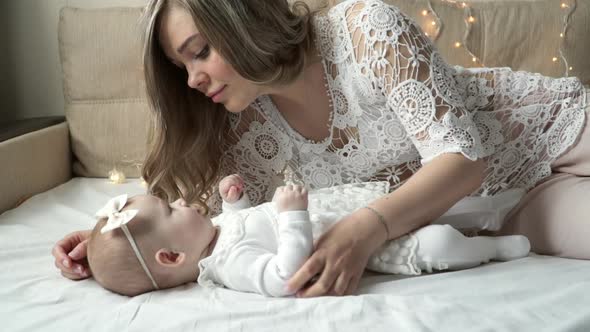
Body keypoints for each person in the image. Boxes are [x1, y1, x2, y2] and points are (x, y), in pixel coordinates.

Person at [52, 0, 589, 297]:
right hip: (506, 210)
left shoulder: (366, 28)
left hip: (555, 131)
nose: (193, 79)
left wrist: (367, 227)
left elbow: (465, 158)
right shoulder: (249, 119)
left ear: (241, 20)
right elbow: (204, 226)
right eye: (182, 68)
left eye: (201, 52)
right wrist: (105, 240)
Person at [87, 174, 529, 297]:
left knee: (434, 202)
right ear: (170, 257)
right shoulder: (228, 265)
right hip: (363, 247)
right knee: (437, 244)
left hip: (346, 211)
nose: (183, 202)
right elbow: (285, 276)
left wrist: (234, 202)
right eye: (170, 210)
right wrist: (292, 217)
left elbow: (240, 223)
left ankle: (495, 210)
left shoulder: (215, 232)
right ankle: (490, 247)